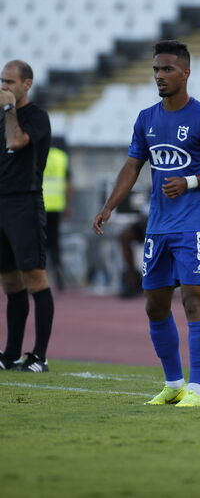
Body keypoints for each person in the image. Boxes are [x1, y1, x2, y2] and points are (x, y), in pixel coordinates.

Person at [93, 40, 200, 407]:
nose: (160, 76)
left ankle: (197, 390)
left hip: (194, 226)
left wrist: (190, 182)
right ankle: (173, 384)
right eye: (156, 69)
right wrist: (111, 205)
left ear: (185, 73)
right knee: (154, 307)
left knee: (192, 302)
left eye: (167, 69)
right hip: (158, 228)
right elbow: (132, 165)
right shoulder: (146, 118)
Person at [0, 59, 53, 372]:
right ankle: (10, 353)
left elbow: (16, 141)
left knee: (35, 279)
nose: (4, 87)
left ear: (27, 84)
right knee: (9, 284)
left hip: (25, 204)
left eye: (10, 82)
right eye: (2, 81)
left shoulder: (36, 117)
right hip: (1, 205)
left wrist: (9, 110)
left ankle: (40, 355)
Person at [43, 136, 72, 291]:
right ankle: (58, 272)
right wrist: (68, 205)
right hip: (56, 205)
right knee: (55, 242)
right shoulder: (61, 157)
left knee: (38, 241)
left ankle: (39, 275)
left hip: (39, 206)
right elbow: (68, 183)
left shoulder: (37, 153)